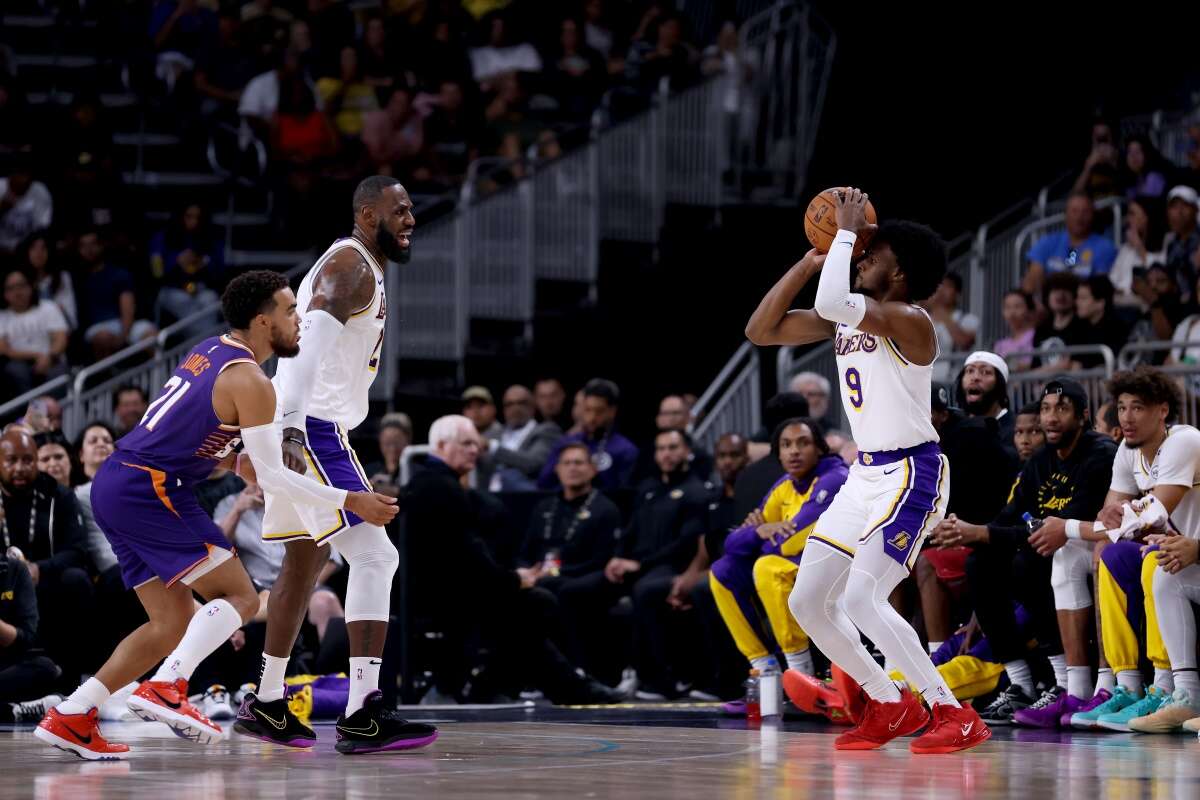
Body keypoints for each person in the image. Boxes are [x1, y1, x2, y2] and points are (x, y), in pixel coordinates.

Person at [35, 270, 400, 761]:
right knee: (240, 595)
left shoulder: (212, 349)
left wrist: (231, 459)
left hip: (119, 483)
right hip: (151, 487)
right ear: (261, 319)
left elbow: (190, 432)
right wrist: (351, 500)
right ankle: (167, 687)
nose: (301, 320)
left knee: (171, 622)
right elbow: (272, 479)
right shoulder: (253, 381)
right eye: (291, 310)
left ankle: (75, 714)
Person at [745, 187, 989, 753]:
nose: (859, 260)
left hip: (913, 473)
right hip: (866, 476)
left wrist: (848, 231)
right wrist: (811, 259)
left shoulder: (909, 320)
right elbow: (761, 330)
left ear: (897, 271)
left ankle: (953, 713)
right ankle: (888, 703)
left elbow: (833, 302)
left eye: (870, 257)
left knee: (862, 599)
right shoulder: (848, 318)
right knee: (807, 602)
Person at [246, 176, 434, 755]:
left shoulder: (360, 266)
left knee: (303, 563)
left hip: (297, 420)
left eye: (412, 211)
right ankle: (363, 712)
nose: (409, 219)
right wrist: (294, 436)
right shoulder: (348, 267)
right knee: (378, 554)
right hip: (313, 426)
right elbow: (300, 356)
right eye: (398, 210)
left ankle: (269, 702)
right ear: (366, 212)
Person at [933, 378, 1116, 728]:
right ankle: (1021, 682)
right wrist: (964, 531)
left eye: (1061, 409)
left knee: (1027, 561)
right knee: (980, 563)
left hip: (1088, 543)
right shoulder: (1041, 461)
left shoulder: (1099, 455)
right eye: (1046, 409)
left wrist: (985, 533)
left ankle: (1063, 683)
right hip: (1046, 546)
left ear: (1083, 416)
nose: (1050, 418)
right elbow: (1011, 518)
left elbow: (1062, 528)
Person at [404, 415, 619, 704]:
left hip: (445, 590)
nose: (475, 450)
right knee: (536, 605)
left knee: (527, 611)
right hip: (444, 598)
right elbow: (468, 559)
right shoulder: (442, 488)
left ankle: (549, 686)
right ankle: (504, 685)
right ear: (442, 445)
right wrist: (514, 579)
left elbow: (470, 556)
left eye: (476, 444)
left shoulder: (433, 483)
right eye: (466, 443)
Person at [1045, 367, 1200, 733]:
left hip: (1193, 550)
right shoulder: (1127, 452)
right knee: (1113, 558)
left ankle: (1166, 685)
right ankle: (1131, 686)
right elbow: (1113, 516)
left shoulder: (1183, 440)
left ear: (1162, 411)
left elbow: (1153, 512)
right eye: (1121, 407)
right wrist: (1108, 520)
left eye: (1138, 408)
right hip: (1187, 552)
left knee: (1156, 563)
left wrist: (1068, 527)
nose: (1126, 418)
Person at [709, 419, 848, 700]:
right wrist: (761, 531)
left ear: (819, 448)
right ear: (778, 453)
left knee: (767, 566)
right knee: (722, 571)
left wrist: (759, 536)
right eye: (786, 445)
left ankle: (800, 671)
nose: (794, 451)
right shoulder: (784, 485)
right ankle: (766, 671)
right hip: (799, 566)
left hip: (838, 565)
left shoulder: (835, 477)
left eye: (803, 443)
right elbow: (732, 544)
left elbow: (794, 541)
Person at [604, 428, 710, 699]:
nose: (666, 454)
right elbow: (629, 531)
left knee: (645, 590)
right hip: (640, 565)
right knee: (579, 590)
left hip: (673, 567)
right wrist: (617, 557)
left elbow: (686, 543)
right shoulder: (647, 488)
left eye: (673, 447)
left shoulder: (696, 491)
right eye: (661, 448)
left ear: (687, 451)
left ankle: (657, 679)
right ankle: (595, 673)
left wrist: (638, 564)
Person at [0, 428, 91, 690]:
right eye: (11, 461)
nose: (19, 468)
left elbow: (77, 550)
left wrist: (40, 568)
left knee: (76, 580)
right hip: (2, 586)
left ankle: (72, 685)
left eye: (27, 460)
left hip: (44, 582)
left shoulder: (57, 494)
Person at [538, 379, 638, 492]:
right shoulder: (565, 444)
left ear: (612, 411)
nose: (592, 417)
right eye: (587, 410)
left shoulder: (625, 450)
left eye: (599, 411)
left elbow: (625, 494)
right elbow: (544, 483)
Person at [76, 231, 157, 360]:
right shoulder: (76, 278)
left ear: (101, 245)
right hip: (97, 328)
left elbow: (127, 309)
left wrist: (123, 336)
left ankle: (159, 378)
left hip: (124, 324)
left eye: (93, 244)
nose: (89, 250)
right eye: (84, 246)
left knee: (151, 335)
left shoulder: (117, 274)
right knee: (103, 337)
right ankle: (112, 379)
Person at [0, 552, 61, 720]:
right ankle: (12, 711)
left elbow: (27, 637)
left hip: (6, 664)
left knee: (45, 668)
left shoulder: (15, 569)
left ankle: (11, 710)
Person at [1022, 192, 1118, 298]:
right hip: (1050, 305)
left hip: (1084, 306)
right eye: (1074, 211)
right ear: (1065, 214)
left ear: (1093, 215)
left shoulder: (1105, 247)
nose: (1079, 217)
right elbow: (1032, 280)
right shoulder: (1048, 242)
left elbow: (1101, 288)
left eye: (1085, 212)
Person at [0, 266, 69, 400]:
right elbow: (3, 349)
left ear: (30, 286)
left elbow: (61, 339)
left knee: (59, 374)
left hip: (51, 360)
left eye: (21, 285)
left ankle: (53, 415)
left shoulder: (48, 307)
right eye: (11, 288)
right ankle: (28, 417)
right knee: (15, 371)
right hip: (19, 363)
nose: (17, 292)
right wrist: (35, 356)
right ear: (4, 294)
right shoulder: (1, 316)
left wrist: (48, 357)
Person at [478, 384, 562, 492]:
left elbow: (533, 463)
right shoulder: (492, 434)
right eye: (509, 404)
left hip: (524, 498)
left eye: (521, 403)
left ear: (533, 406)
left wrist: (493, 447)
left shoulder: (546, 431)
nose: (515, 408)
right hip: (488, 496)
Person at [954, 351, 1016, 451]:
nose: (975, 378)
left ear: (1000, 384)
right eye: (970, 371)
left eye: (985, 372)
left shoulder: (1015, 428)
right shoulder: (955, 428)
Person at [924, 272, 978, 380]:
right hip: (926, 381)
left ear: (957, 294)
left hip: (953, 379)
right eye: (938, 285)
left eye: (947, 286)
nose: (941, 290)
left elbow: (964, 342)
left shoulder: (967, 319)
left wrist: (942, 314)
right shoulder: (923, 318)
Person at [1073, 276, 1129, 367]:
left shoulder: (1117, 329)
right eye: (1077, 297)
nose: (1077, 302)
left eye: (1083, 298)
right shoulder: (1078, 327)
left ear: (1100, 303)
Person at [1162, 185, 1200, 301]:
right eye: (1173, 207)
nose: (1179, 212)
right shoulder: (1171, 243)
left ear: (1196, 210)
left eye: (1185, 206)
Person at [363, 412, 412, 498]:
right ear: (380, 441)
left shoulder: (418, 474)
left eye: (397, 443)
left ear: (408, 441)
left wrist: (398, 492)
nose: (392, 449)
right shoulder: (367, 472)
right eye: (387, 443)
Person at [993, 289, 1036, 370]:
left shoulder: (1036, 337)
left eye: (1017, 306)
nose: (1012, 312)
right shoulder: (1000, 345)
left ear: (1029, 310)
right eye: (1007, 307)